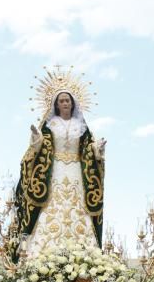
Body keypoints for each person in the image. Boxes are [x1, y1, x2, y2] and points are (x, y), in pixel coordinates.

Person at [13, 87, 106, 257]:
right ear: (56, 104)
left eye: (67, 100)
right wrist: (36, 137)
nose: (65, 103)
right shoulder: (50, 125)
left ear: (73, 104)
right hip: (54, 171)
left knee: (78, 206)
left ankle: (85, 253)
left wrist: (97, 148)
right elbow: (40, 144)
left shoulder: (82, 127)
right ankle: (43, 252)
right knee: (51, 204)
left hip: (77, 172)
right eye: (61, 101)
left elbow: (88, 148)